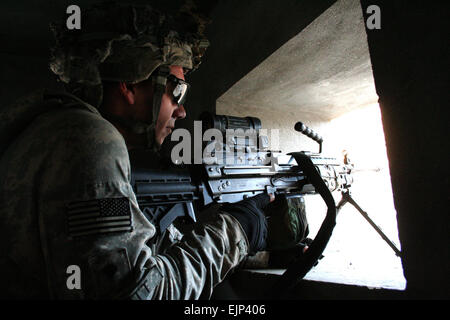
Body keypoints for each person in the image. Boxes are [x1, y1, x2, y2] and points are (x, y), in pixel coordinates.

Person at [0, 2, 272, 299]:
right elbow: (140, 293)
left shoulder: (49, 127)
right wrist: (237, 229)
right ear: (131, 83)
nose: (181, 111)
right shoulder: (89, 140)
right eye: (177, 90)